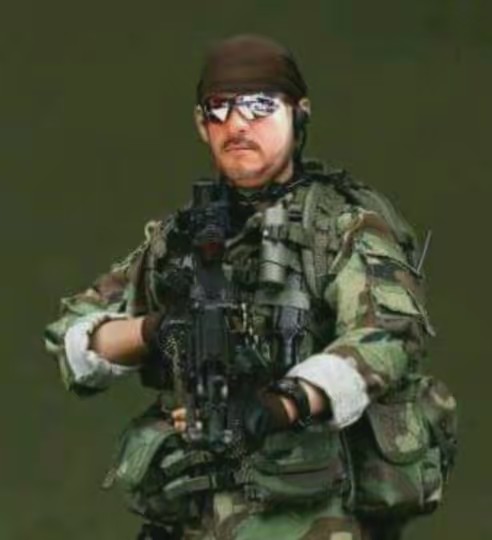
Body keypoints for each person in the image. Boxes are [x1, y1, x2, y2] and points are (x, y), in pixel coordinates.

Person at [44, 34, 457, 540]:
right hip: (193, 514)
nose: (238, 123)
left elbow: (387, 336)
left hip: (306, 514)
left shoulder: (340, 227)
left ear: (298, 113)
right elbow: (72, 337)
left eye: (260, 105)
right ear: (202, 124)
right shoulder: (176, 239)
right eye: (219, 107)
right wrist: (152, 330)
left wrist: (283, 404)